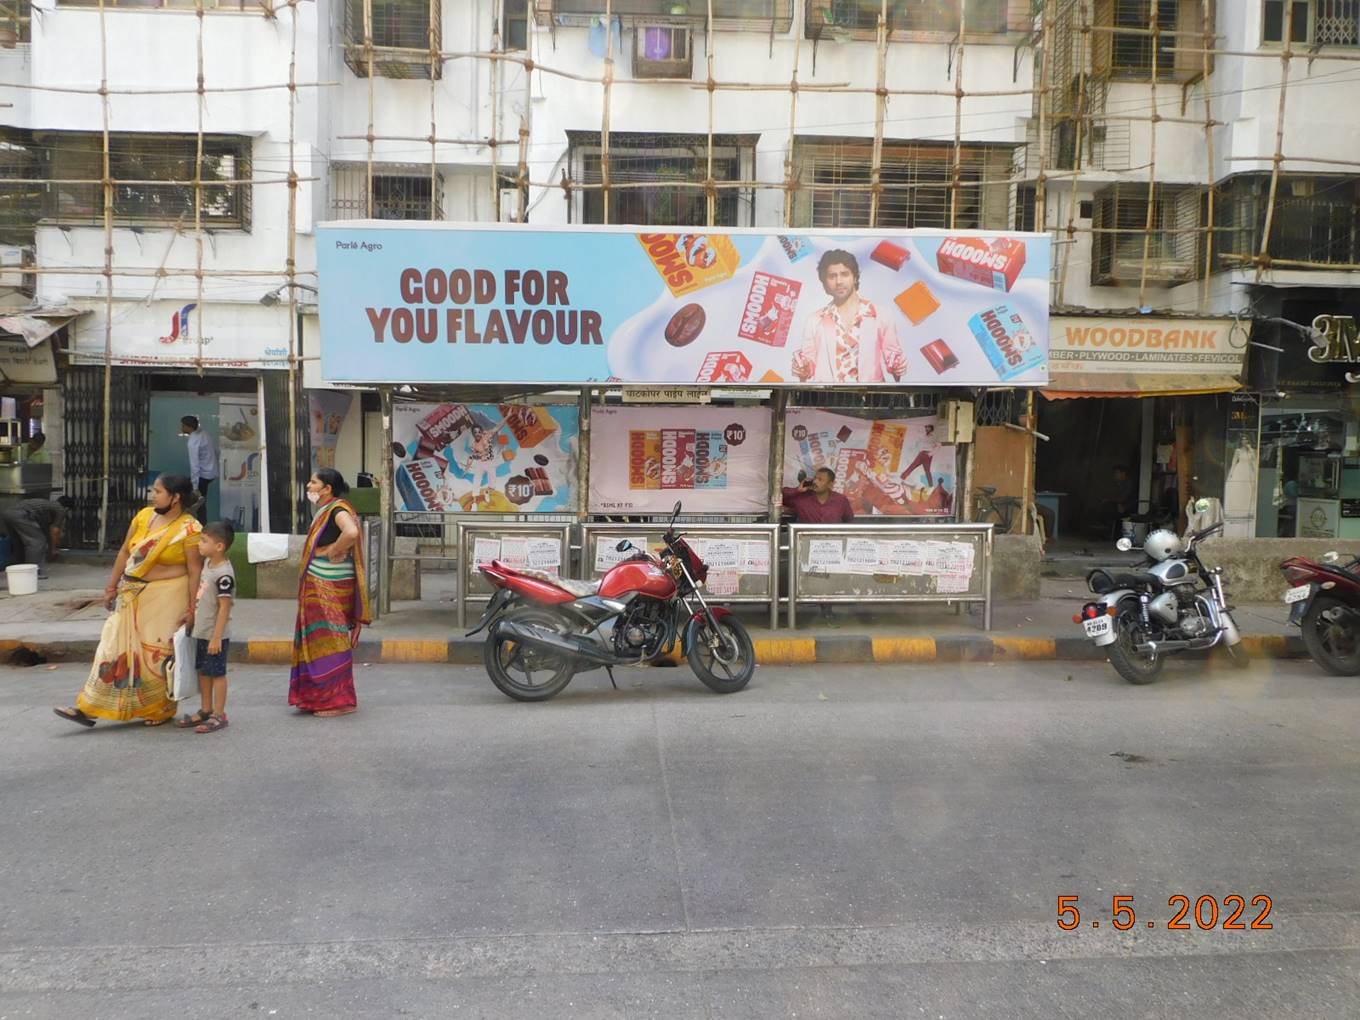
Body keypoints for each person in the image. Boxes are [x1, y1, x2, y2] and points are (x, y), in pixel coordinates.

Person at [54, 475, 202, 728]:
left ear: (175, 497)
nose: (152, 495)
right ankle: (88, 707)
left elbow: (194, 570)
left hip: (167, 597)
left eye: (157, 491)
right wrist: (111, 586)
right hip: (130, 593)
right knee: (111, 649)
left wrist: (191, 609)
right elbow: (125, 551)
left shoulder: (189, 529)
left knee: (154, 653)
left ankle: (159, 708)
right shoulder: (144, 516)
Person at [289, 469, 371, 718]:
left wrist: (333, 550)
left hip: (330, 584)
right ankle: (316, 697)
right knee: (316, 641)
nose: (309, 485)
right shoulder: (326, 510)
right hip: (319, 583)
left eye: (313, 482)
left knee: (332, 640)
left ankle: (339, 701)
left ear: (327, 489)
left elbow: (352, 532)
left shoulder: (337, 509)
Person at [792, 250, 906, 383]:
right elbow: (808, 363)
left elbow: (893, 359)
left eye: (844, 274)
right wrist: (803, 368)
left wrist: (898, 367)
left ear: (855, 277)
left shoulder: (881, 315)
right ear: (825, 282)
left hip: (870, 398)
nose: (839, 281)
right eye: (832, 276)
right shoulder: (814, 320)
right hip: (827, 398)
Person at [175, 521, 236, 734]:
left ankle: (219, 714)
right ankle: (206, 708)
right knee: (203, 671)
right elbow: (203, 595)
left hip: (215, 633)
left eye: (204, 541)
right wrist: (191, 615)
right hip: (202, 630)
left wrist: (217, 637)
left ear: (219, 546)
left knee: (217, 673)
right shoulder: (208, 565)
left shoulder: (224, 574)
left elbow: (224, 608)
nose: (199, 545)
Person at [2, 495, 73, 579]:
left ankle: (16, 571)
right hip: (22, 515)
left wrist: (50, 547)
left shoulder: (47, 506)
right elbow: (55, 531)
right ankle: (33, 573)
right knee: (37, 542)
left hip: (8, 513)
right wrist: (53, 549)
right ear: (67, 508)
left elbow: (46, 532)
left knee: (19, 543)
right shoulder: (60, 509)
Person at [781, 467, 856, 524]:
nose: (815, 482)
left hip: (832, 541)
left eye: (820, 480)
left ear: (830, 484)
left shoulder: (841, 500)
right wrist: (797, 490)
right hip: (805, 541)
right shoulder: (802, 498)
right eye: (815, 478)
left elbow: (849, 521)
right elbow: (779, 497)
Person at [181, 415, 218, 505]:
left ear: (189, 427)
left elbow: (194, 465)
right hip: (211, 472)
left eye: (183, 426)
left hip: (203, 475)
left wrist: (195, 487)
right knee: (200, 501)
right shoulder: (204, 433)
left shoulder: (193, 442)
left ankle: (200, 518)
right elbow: (216, 451)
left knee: (197, 503)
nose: (181, 428)